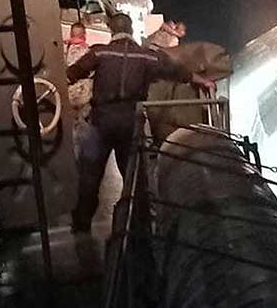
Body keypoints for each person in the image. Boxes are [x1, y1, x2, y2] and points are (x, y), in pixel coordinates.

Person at [67, 12, 215, 233]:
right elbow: (175, 71)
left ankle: (81, 224)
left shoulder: (99, 52)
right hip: (130, 121)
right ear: (132, 31)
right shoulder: (146, 56)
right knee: (134, 176)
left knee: (90, 174)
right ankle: (142, 224)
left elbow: (72, 73)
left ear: (111, 30)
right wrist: (201, 80)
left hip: (100, 122)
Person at [64, 22, 92, 160]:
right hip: (85, 94)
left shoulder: (66, 50)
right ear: (85, 35)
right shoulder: (87, 51)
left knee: (73, 126)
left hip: (70, 94)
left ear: (71, 34)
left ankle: (73, 157)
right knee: (84, 124)